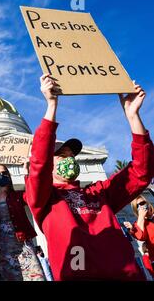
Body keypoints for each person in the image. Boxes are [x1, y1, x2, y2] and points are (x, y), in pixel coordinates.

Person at [25, 74, 154, 280]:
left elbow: (142, 172)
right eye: (61, 155)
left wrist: (132, 116)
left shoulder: (99, 193)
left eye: (71, 156)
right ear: (49, 163)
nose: (69, 160)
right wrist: (51, 105)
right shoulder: (43, 200)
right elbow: (39, 164)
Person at [0, 164, 45, 281]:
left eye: (4, 173)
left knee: (35, 276)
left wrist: (27, 174)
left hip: (22, 243)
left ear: (9, 176)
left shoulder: (17, 196)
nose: (1, 176)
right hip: (3, 247)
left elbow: (34, 196)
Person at [124, 195, 154, 262]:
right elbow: (140, 236)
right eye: (138, 206)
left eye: (142, 203)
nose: (141, 207)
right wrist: (141, 217)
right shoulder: (137, 224)